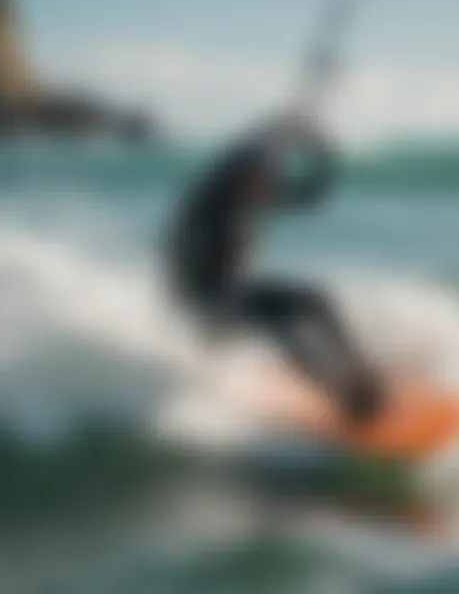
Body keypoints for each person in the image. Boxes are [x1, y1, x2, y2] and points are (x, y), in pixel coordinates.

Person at [165, 113, 385, 421]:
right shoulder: (211, 208)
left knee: (315, 300)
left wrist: (323, 158)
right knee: (282, 324)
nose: (268, 186)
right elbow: (188, 266)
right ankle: (339, 394)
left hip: (235, 293)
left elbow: (309, 196)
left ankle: (361, 374)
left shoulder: (251, 192)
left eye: (268, 178)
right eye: (261, 178)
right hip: (205, 302)